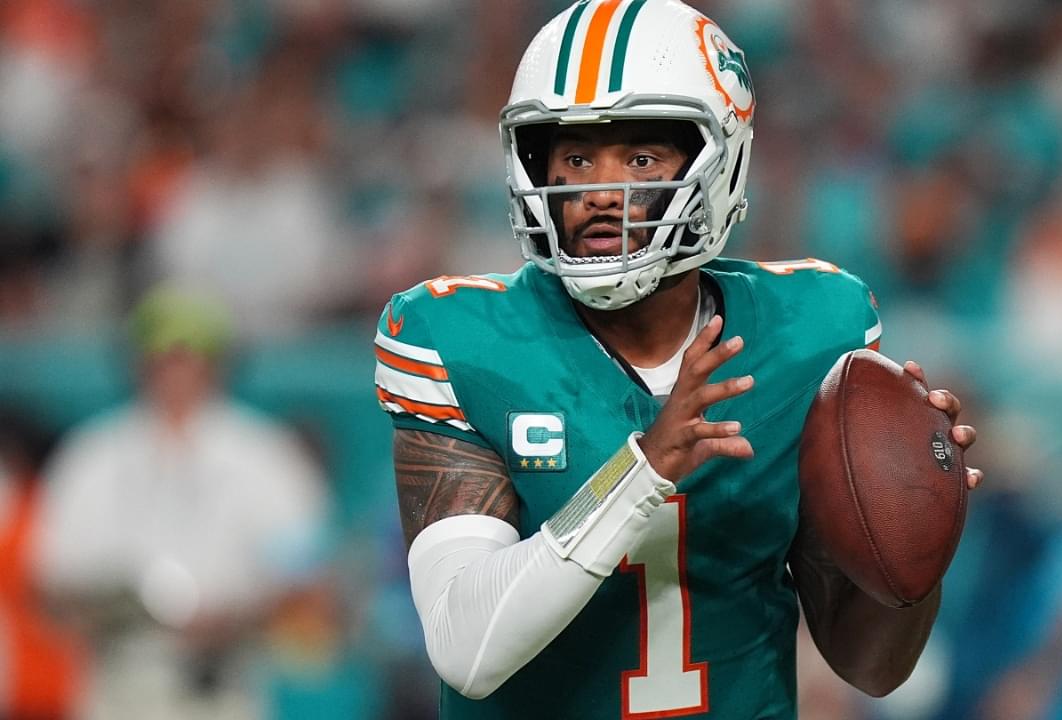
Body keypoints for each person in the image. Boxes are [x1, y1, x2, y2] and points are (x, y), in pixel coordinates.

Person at [374, 2, 981, 718]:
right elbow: (464, 647)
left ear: (721, 160)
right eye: (573, 157)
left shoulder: (812, 331)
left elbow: (869, 668)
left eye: (639, 156)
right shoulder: (458, 334)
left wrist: (918, 526)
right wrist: (645, 469)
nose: (599, 191)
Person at [35, 286, 329, 720]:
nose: (176, 372)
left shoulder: (265, 456)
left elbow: (309, 582)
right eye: (162, 357)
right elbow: (49, 584)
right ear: (139, 364)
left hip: (223, 682)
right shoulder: (92, 455)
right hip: (119, 681)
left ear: (219, 364)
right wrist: (115, 610)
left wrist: (237, 618)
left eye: (190, 357)